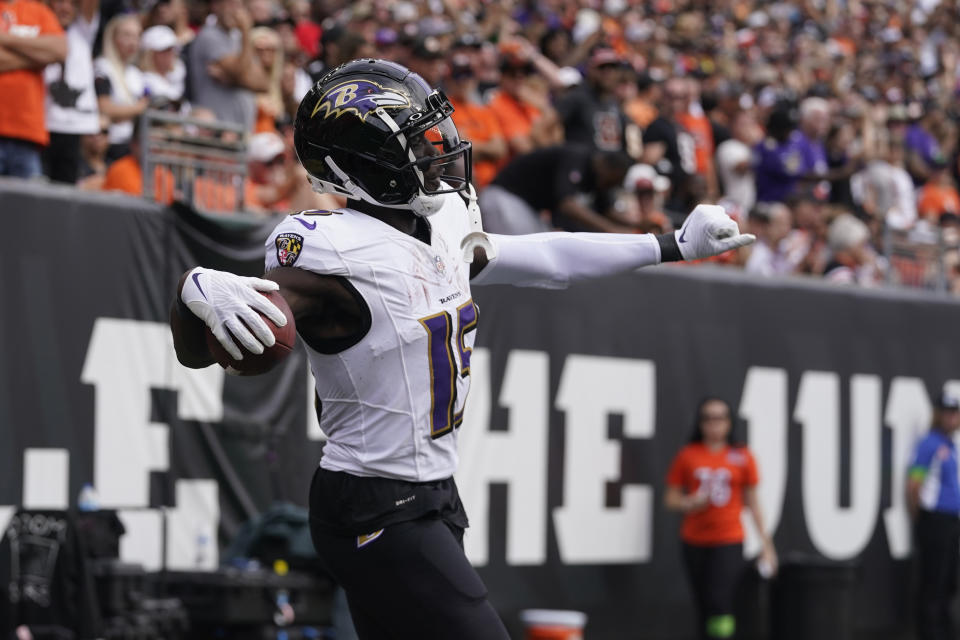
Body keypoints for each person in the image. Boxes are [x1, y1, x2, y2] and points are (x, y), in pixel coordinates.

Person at [168, 58, 754, 640]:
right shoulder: (331, 254)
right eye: (414, 145)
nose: (438, 150)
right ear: (361, 166)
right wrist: (194, 295)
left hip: (428, 497)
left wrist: (668, 244)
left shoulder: (441, 224)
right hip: (374, 503)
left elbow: (544, 258)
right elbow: (222, 344)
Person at [665, 397, 777, 640]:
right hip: (694, 539)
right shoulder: (688, 455)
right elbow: (670, 498)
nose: (714, 424)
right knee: (703, 603)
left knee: (720, 600)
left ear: (729, 422)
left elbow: (754, 503)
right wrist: (689, 502)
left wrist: (767, 546)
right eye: (708, 418)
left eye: (720, 418)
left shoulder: (742, 456)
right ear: (700, 423)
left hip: (728, 538)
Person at [480, 145, 637, 234]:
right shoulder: (577, 158)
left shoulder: (596, 176)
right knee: (520, 255)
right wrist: (610, 229)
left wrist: (638, 225)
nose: (609, 186)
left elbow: (606, 210)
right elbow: (566, 204)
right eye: (610, 181)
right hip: (503, 197)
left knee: (539, 253)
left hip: (527, 209)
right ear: (605, 167)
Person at [907, 391, 960, 640]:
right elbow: (914, 484)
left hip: (951, 523)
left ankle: (946, 631)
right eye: (947, 413)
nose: (951, 418)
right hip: (934, 521)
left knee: (949, 582)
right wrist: (921, 518)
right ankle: (930, 634)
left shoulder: (951, 446)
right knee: (933, 582)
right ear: (939, 415)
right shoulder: (929, 443)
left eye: (955, 413)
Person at [0, 0, 66, 178]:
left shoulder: (39, 12)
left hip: (27, 134)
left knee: (27, 204)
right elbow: (50, 53)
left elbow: (60, 50)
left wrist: (4, 38)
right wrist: (37, 58)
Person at [43, 0, 98, 183]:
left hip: (74, 128)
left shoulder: (82, 32)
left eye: (72, 3)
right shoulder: (39, 30)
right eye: (59, 2)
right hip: (43, 124)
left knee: (65, 192)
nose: (65, 8)